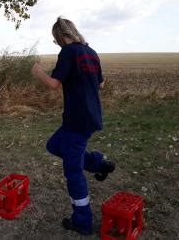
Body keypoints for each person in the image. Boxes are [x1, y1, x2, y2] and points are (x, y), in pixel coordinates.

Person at [31, 17, 115, 235]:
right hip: (89, 116)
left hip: (77, 119)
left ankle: (82, 221)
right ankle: (98, 163)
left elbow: (53, 84)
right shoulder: (91, 52)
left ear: (60, 35)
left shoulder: (68, 52)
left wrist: (38, 72)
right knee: (54, 145)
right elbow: (101, 84)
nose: (56, 42)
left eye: (55, 39)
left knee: (73, 171)